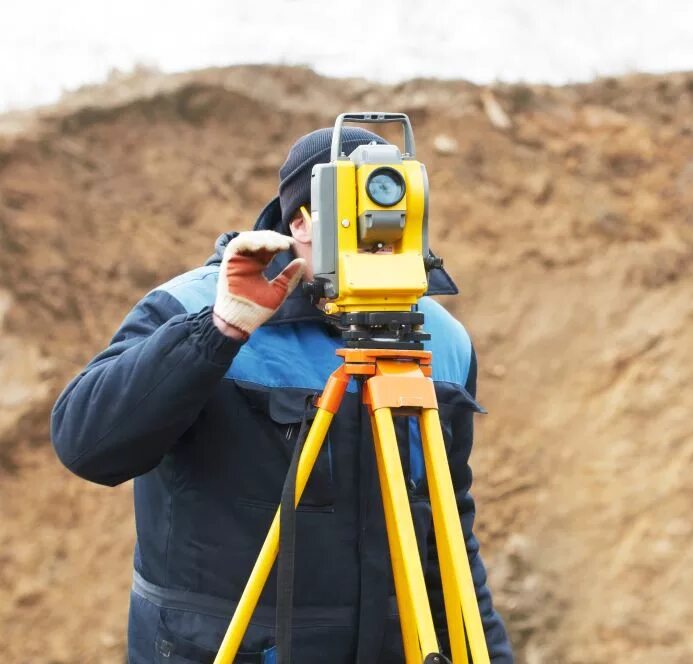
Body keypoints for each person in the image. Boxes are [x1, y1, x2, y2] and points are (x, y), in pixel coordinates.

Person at [50, 126, 513, 663]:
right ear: (300, 221)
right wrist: (219, 329)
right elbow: (87, 446)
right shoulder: (192, 306)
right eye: (357, 209)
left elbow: (447, 535)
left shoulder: (444, 340)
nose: (378, 228)